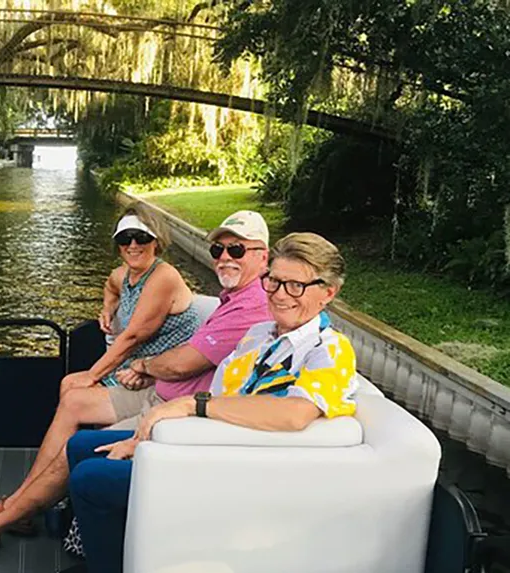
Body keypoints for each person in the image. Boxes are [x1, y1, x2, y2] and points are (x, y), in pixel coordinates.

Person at [65, 232, 359, 573]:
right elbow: (223, 394)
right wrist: (143, 436)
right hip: (204, 442)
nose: (280, 295)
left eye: (296, 286)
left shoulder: (329, 350)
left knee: (90, 479)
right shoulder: (260, 335)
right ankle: (113, 553)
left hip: (236, 470)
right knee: (82, 446)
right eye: (274, 282)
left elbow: (296, 414)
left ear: (328, 292)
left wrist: (193, 405)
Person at [0, 206, 207, 565]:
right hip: (135, 376)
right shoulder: (127, 275)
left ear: (157, 241)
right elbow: (112, 283)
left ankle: (19, 505)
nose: (133, 245)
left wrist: (93, 374)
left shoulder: (164, 277)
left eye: (142, 238)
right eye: (125, 239)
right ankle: (28, 502)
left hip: (154, 379)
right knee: (69, 386)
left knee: (76, 393)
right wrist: (108, 307)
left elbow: (134, 336)